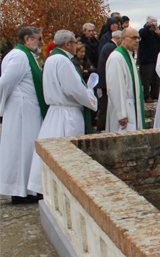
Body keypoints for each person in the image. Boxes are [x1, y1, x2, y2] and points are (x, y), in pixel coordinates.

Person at [27, 30, 98, 195]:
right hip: (68, 114)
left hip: (55, 112)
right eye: (74, 43)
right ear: (67, 44)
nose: (76, 45)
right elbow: (73, 90)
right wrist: (90, 97)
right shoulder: (64, 62)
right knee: (67, 155)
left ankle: (46, 186)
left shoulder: (51, 59)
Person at [0, 27, 46, 204]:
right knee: (21, 149)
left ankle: (28, 189)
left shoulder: (25, 55)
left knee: (27, 149)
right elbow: (5, 83)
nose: (41, 42)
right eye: (39, 39)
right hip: (21, 110)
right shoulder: (19, 56)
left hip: (27, 109)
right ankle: (20, 191)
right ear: (27, 39)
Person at [106, 28, 145, 132]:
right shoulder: (116, 57)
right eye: (133, 38)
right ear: (123, 38)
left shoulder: (129, 55)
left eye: (138, 38)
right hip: (124, 108)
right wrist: (121, 114)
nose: (137, 40)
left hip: (132, 106)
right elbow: (115, 87)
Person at [96, 30, 122, 132]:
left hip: (103, 80)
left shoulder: (108, 46)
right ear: (118, 38)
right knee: (105, 105)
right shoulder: (111, 48)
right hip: (105, 81)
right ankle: (101, 126)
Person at [138, 16, 160, 102]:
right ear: (148, 24)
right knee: (147, 79)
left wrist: (159, 35)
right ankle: (146, 96)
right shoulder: (144, 31)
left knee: (156, 78)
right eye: (153, 25)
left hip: (156, 59)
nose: (154, 27)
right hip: (147, 60)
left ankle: (155, 95)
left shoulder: (155, 34)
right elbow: (142, 34)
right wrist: (149, 26)